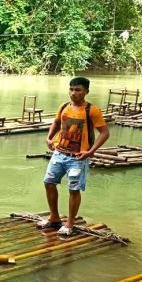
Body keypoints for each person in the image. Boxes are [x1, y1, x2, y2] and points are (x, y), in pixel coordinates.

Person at [38, 77, 109, 237]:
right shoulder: (64, 106)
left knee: (74, 189)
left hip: (78, 158)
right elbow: (56, 123)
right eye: (71, 89)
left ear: (86, 92)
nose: (73, 93)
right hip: (59, 153)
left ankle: (69, 223)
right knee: (49, 182)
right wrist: (49, 138)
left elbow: (104, 133)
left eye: (78, 90)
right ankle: (54, 217)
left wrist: (91, 152)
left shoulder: (92, 110)